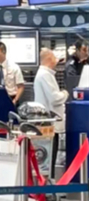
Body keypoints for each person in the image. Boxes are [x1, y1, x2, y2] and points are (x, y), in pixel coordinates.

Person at [34, 48, 69, 179]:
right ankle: (49, 187)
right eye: (54, 57)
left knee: (48, 157)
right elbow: (55, 98)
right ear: (49, 59)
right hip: (49, 123)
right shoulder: (45, 75)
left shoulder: (44, 74)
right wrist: (65, 93)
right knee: (49, 158)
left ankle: (48, 185)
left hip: (48, 122)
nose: (56, 60)